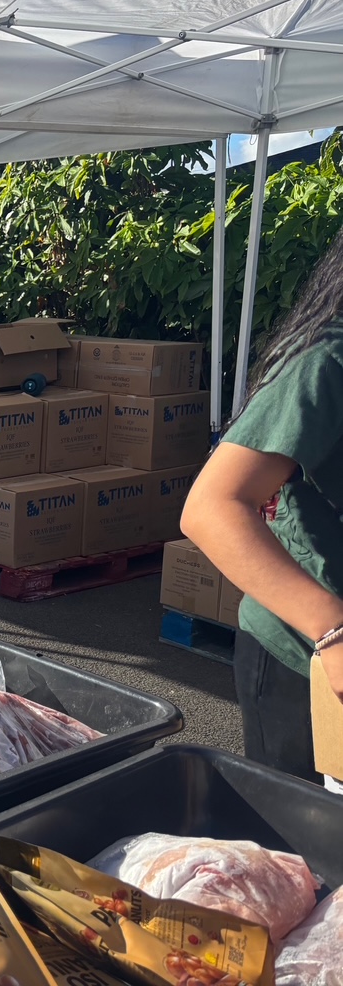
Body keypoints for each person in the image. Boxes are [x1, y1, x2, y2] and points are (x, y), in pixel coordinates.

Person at [182, 231, 343, 786]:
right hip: (307, 658)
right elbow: (212, 506)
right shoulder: (325, 364)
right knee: (303, 850)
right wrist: (332, 630)